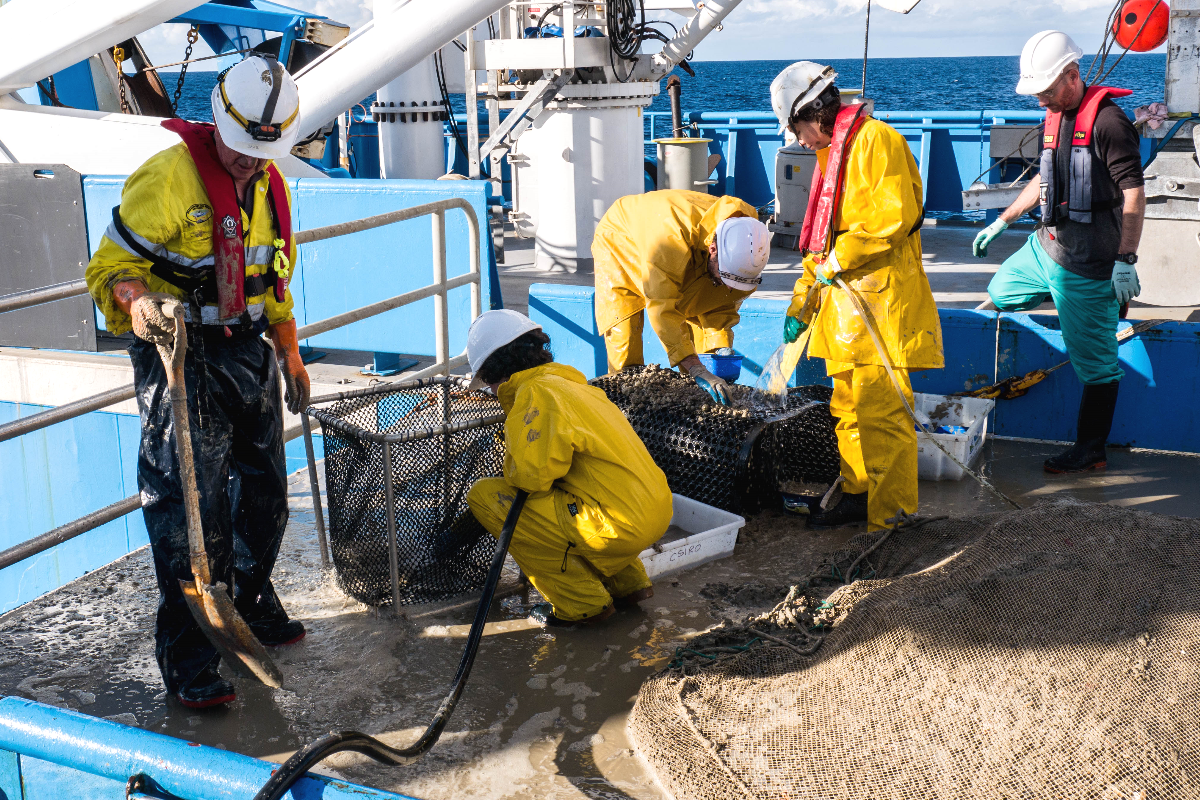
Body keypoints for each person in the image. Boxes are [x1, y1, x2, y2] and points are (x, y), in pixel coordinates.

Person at [85, 55, 310, 709]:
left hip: (245, 347)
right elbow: (108, 270)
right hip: (177, 352)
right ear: (218, 124)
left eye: (258, 155)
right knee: (190, 513)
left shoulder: (271, 186)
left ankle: (247, 601)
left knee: (267, 494)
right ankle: (188, 659)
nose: (246, 164)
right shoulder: (167, 178)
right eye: (239, 152)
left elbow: (274, 283)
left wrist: (291, 356)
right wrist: (137, 302)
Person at [772, 61, 943, 532]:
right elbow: (820, 241)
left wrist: (834, 262)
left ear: (813, 111)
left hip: (879, 308)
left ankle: (891, 522)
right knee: (847, 409)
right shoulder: (833, 153)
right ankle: (857, 492)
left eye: (796, 126)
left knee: (884, 419)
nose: (798, 139)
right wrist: (801, 303)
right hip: (844, 314)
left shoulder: (876, 142)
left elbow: (891, 220)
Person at [972, 31, 1146, 474]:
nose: (1040, 100)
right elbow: (1042, 179)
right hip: (1044, 248)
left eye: (1046, 90)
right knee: (998, 292)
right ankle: (1082, 310)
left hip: (1090, 266)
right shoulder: (1054, 115)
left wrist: (1125, 261)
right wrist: (1002, 220)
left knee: (1097, 368)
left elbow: (1134, 194)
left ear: (1072, 75)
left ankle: (1091, 449)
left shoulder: (1109, 123)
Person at [464, 310, 673, 627]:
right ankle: (629, 586)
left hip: (620, 525)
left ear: (495, 373)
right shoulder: (572, 384)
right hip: (652, 510)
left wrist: (513, 444)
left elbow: (530, 478)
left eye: (488, 382)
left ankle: (583, 605)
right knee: (577, 494)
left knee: (486, 496)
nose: (491, 391)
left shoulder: (536, 394)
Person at [592, 190, 770, 405]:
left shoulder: (749, 241)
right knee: (625, 339)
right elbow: (662, 307)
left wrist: (720, 349)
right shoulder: (669, 241)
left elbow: (721, 301)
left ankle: (700, 396)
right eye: (725, 277)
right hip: (621, 239)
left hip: (688, 246)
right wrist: (696, 367)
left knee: (706, 357)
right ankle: (625, 405)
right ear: (712, 249)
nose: (726, 285)